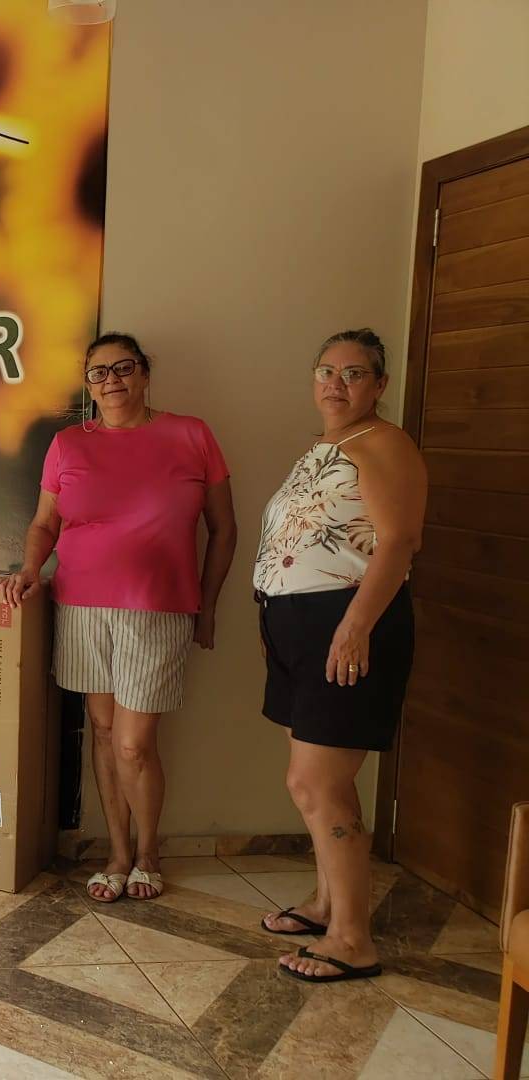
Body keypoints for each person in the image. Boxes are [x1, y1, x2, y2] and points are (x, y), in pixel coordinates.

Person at [0, 333, 237, 904]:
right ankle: (118, 854)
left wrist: (207, 605)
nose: (112, 381)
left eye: (124, 368)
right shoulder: (67, 445)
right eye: (99, 372)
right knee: (103, 733)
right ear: (88, 384)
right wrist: (30, 568)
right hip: (81, 607)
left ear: (145, 373)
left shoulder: (192, 435)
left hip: (158, 609)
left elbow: (224, 530)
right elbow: (45, 524)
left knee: (133, 744)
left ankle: (149, 853)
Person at [255, 328, 425, 983]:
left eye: (354, 373)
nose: (336, 383)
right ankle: (328, 904)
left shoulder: (384, 443)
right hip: (300, 629)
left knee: (318, 784)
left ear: (379, 385)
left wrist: (355, 628)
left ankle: (353, 938)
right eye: (326, 370)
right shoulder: (330, 447)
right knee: (314, 782)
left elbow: (398, 541)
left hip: (347, 626)